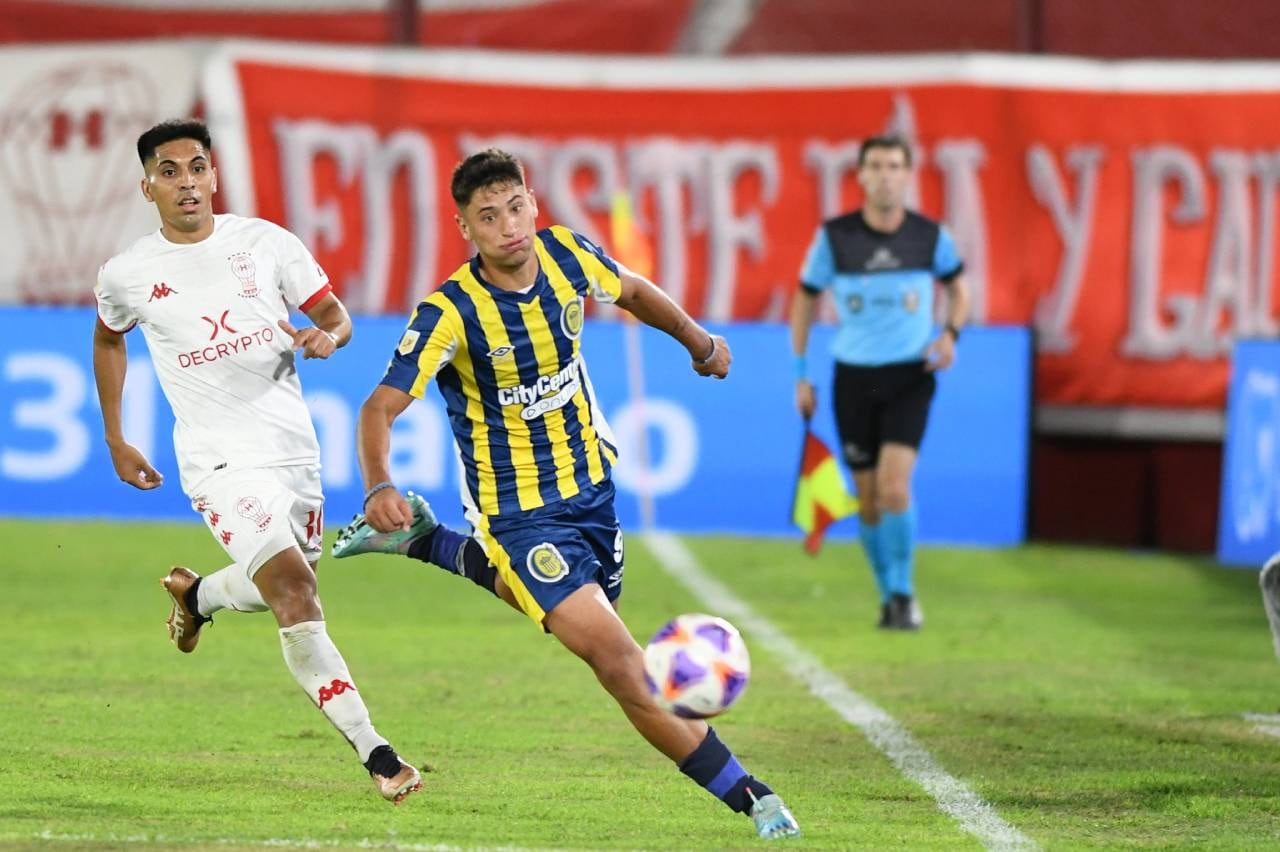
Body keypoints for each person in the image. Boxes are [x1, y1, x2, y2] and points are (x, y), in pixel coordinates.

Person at [330, 148, 800, 840]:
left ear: (533, 204)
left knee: (580, 615)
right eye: (487, 217)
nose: (507, 226)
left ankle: (425, 542)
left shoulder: (567, 256)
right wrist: (378, 483)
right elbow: (377, 408)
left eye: (515, 207)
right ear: (466, 228)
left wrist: (697, 341)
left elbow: (633, 290)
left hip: (592, 493)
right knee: (619, 663)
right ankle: (750, 795)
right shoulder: (450, 313)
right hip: (518, 516)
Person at [91, 119, 421, 804]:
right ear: (146, 185)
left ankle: (198, 594)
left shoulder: (266, 243)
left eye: (198, 167)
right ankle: (377, 753)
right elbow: (108, 339)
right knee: (297, 594)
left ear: (214, 175)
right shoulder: (127, 274)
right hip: (216, 463)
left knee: (282, 584)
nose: (188, 182)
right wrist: (116, 437)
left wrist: (327, 336)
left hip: (293, 453)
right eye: (171, 170)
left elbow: (336, 314)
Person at [790, 135, 970, 631]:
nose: (886, 174)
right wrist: (800, 374)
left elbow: (959, 289)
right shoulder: (836, 238)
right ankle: (886, 591)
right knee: (867, 498)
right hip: (853, 379)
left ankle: (904, 593)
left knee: (894, 488)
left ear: (908, 175)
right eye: (877, 166)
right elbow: (803, 300)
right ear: (862, 175)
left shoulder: (930, 237)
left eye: (895, 165)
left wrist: (951, 334)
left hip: (911, 375)